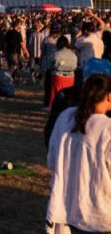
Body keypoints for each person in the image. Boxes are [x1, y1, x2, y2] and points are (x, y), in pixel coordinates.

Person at [46, 74, 111, 232]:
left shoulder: (65, 117)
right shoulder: (107, 128)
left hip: (69, 209)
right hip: (101, 214)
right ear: (109, 96)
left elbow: (52, 160)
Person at [48, 36, 78, 109]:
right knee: (69, 94)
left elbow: (50, 65)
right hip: (71, 76)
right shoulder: (73, 54)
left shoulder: (57, 54)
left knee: (57, 93)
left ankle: (54, 107)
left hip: (59, 76)